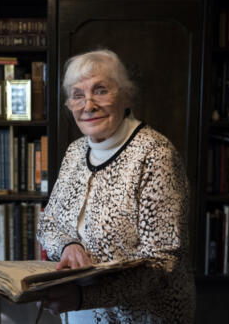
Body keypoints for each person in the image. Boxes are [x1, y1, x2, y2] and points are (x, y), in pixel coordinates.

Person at [37, 49, 195, 323]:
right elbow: (49, 222)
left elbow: (162, 261)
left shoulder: (155, 154)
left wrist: (84, 297)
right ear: (68, 104)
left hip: (142, 316)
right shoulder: (75, 152)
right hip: (80, 311)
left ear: (126, 96)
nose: (88, 105)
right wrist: (68, 245)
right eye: (77, 94)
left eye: (100, 90)